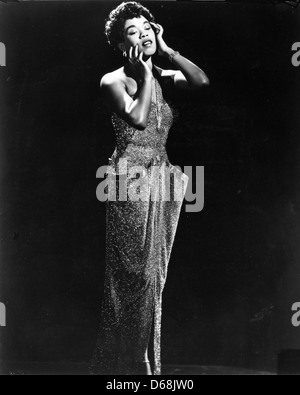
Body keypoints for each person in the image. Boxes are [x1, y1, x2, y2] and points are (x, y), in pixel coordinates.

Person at [90, 1, 209, 376]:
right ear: (119, 44)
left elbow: (201, 82)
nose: (143, 34)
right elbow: (139, 121)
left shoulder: (162, 72)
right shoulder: (113, 80)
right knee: (134, 274)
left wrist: (168, 51)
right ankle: (134, 364)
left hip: (162, 176)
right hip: (128, 178)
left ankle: (141, 361)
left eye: (147, 27)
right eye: (132, 31)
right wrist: (143, 75)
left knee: (155, 275)